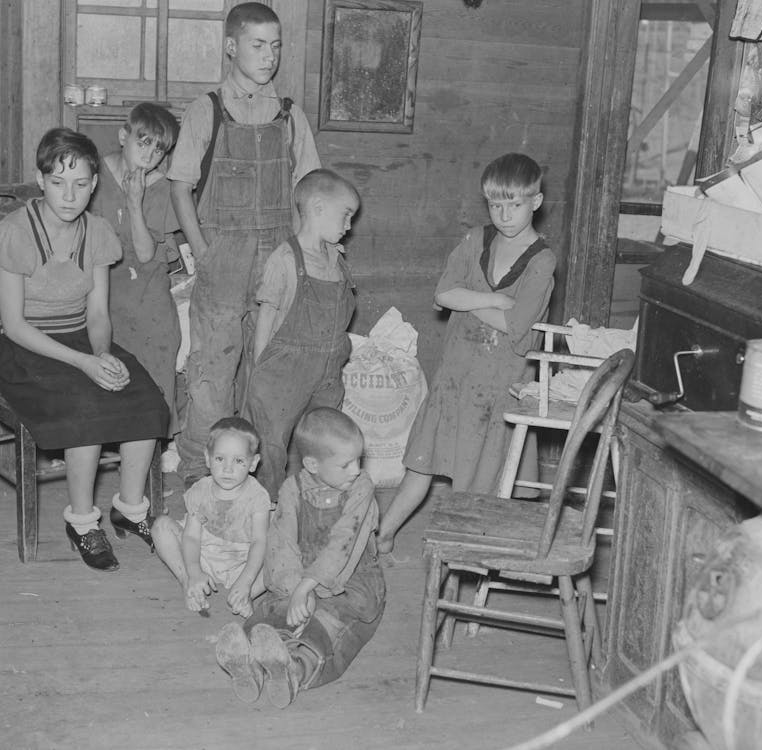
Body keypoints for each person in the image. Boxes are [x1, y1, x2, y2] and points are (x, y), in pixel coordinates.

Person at [0, 127, 170, 572]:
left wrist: (102, 355)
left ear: (94, 183)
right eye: (58, 182)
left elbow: (98, 313)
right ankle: (83, 524)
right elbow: (14, 325)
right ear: (40, 179)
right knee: (86, 411)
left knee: (146, 398)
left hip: (82, 340)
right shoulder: (14, 233)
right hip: (27, 350)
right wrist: (84, 363)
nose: (70, 196)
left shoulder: (98, 231)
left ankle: (130, 509)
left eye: (81, 183)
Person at [167, 2, 321, 488]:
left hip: (277, 258)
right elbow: (180, 187)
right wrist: (204, 251)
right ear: (231, 47)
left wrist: (301, 257)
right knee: (212, 372)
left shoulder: (290, 116)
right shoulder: (206, 110)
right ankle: (200, 476)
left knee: (267, 371)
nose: (269, 56)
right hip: (223, 258)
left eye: (276, 46)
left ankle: (260, 481)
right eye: (258, 45)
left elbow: (311, 193)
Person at [376, 153, 557, 555]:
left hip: (499, 386)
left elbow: (515, 325)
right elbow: (443, 294)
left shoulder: (542, 260)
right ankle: (385, 532)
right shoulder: (476, 240)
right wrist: (493, 299)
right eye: (495, 205)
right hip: (455, 375)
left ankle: (463, 553)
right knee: (420, 462)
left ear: (536, 202)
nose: (504, 215)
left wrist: (469, 300)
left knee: (479, 476)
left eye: (515, 205)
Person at [215, 408, 384, 708]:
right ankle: (252, 664)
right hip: (299, 577)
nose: (356, 470)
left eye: (358, 460)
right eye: (346, 464)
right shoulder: (292, 488)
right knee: (276, 612)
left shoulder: (361, 488)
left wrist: (307, 588)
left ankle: (294, 670)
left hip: (349, 581)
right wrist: (296, 590)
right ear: (312, 464)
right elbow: (281, 544)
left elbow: (343, 543)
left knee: (329, 623)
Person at [241, 169, 359, 500]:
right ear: (318, 208)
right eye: (345, 215)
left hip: (327, 372)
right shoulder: (285, 259)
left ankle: (318, 503)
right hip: (284, 372)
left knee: (325, 441)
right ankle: (269, 506)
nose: (349, 226)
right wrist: (260, 371)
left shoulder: (336, 259)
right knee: (271, 444)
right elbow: (267, 316)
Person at [89, 102, 183, 431]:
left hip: (147, 300)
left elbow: (145, 254)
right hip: (102, 295)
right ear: (122, 137)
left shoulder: (162, 187)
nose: (149, 155)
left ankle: (153, 445)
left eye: (159, 149)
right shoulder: (94, 175)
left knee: (151, 390)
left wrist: (134, 201)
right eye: (143, 143)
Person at [151, 417, 269, 616]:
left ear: (253, 463)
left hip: (242, 561)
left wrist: (246, 582)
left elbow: (259, 542)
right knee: (160, 526)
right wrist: (194, 570)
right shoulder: (200, 490)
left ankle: (245, 595)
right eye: (220, 459)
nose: (228, 469)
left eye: (239, 461)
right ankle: (188, 583)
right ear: (207, 458)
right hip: (202, 554)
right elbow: (191, 537)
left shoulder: (257, 496)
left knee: (282, 553)